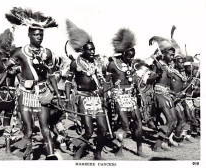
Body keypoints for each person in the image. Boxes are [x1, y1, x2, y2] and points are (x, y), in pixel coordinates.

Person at [4, 7, 63, 160]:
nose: (39, 37)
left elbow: (50, 76)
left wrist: (57, 94)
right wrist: (0, 53)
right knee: (29, 131)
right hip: (25, 93)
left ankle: (51, 156)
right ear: (28, 34)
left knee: (45, 128)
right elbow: (4, 68)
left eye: (41, 35)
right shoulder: (19, 52)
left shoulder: (47, 53)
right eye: (36, 34)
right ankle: (27, 154)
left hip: (43, 93)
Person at [65, 19, 108, 160]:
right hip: (83, 98)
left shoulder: (97, 63)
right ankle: (78, 153)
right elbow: (68, 82)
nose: (92, 51)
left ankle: (98, 153)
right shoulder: (75, 63)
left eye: (93, 49)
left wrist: (105, 91)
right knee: (88, 131)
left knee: (103, 129)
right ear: (82, 50)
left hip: (96, 98)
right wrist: (66, 99)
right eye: (89, 49)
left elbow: (102, 80)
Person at [105, 28, 145, 157]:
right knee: (125, 125)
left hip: (131, 96)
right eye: (129, 56)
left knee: (139, 123)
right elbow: (106, 82)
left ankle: (139, 149)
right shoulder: (112, 64)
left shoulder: (132, 65)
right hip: (118, 96)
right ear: (122, 54)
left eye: (132, 56)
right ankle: (119, 149)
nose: (131, 59)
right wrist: (105, 96)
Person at [148, 35, 179, 151]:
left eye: (173, 55)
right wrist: (157, 75)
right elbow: (148, 80)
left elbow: (168, 84)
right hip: (159, 94)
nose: (172, 57)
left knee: (174, 121)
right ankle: (158, 145)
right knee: (170, 120)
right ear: (164, 53)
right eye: (170, 54)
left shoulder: (169, 67)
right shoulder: (157, 64)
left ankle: (163, 142)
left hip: (167, 94)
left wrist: (174, 93)